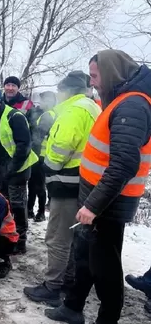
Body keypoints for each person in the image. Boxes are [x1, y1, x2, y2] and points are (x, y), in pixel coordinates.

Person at [45, 50, 151, 324]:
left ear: (111, 72)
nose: (92, 83)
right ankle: (72, 307)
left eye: (94, 76)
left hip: (108, 204)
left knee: (105, 269)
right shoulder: (119, 100)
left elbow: (125, 163)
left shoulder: (132, 105)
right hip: (96, 198)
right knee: (84, 257)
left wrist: (93, 205)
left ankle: (107, 319)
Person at [24, 72, 101, 307]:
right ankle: (68, 280)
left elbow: (62, 146)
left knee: (57, 236)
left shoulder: (73, 111)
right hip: (86, 182)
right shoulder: (92, 108)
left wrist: (48, 165)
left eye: (59, 91)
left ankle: (52, 286)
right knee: (72, 236)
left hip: (67, 182)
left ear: (66, 91)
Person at [0, 89, 38, 254]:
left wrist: (12, 169)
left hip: (17, 170)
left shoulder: (14, 116)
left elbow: (24, 145)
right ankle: (7, 236)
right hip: (0, 170)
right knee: (3, 206)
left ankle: (20, 241)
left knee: (18, 206)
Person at [27, 91, 57, 221]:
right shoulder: (48, 114)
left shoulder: (48, 116)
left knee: (38, 185)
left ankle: (39, 212)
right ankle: (30, 210)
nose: (41, 103)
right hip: (39, 155)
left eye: (43, 100)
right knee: (34, 184)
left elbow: (39, 135)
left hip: (40, 156)